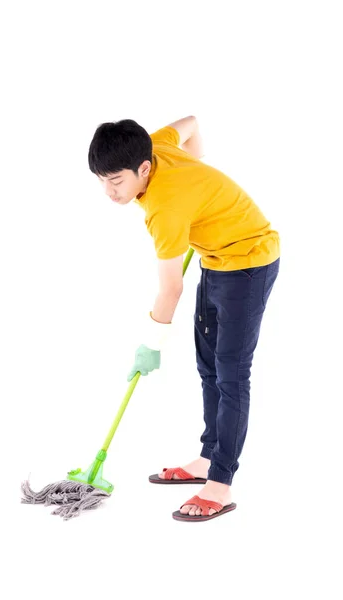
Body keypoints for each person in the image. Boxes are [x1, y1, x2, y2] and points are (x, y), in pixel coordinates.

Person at [88, 116, 280, 522]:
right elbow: (190, 123)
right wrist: (199, 175)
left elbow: (170, 289)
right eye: (102, 180)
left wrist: (151, 345)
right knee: (208, 365)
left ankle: (221, 484)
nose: (109, 192)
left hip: (248, 262)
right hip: (215, 257)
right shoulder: (152, 145)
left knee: (231, 373)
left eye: (116, 181)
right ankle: (208, 459)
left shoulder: (165, 208)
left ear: (143, 168)